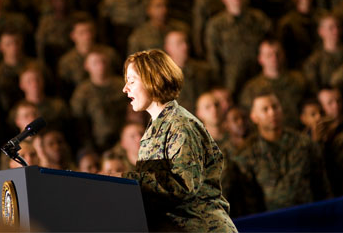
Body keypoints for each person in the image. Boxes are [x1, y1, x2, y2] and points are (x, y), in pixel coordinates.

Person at [121, 49, 237, 232]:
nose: (125, 88)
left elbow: (183, 186)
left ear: (153, 80)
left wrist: (125, 181)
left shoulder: (180, 125)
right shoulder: (156, 128)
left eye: (132, 81)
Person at [233, 91, 331, 212]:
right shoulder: (246, 154)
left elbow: (322, 185)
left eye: (275, 107)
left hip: (309, 216)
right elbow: (248, 201)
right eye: (265, 109)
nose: (272, 112)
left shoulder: (304, 143)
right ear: (254, 117)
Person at [205, 0, 271, 99]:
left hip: (259, 77)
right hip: (231, 81)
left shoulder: (259, 19)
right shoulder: (216, 25)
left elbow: (270, 46)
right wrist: (219, 85)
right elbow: (213, 57)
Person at [70, 46, 128, 152]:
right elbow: (79, 122)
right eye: (95, 63)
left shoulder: (122, 86)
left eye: (104, 62)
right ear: (87, 66)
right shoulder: (82, 92)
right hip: (96, 143)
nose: (101, 66)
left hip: (124, 139)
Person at [239, 39, 307, 128]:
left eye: (277, 54)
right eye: (269, 55)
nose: (274, 58)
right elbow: (248, 119)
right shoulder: (251, 88)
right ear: (260, 59)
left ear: (284, 55)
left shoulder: (299, 80)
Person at [164, 30, 215, 114]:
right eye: (179, 43)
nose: (185, 46)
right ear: (168, 48)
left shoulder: (203, 70)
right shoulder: (162, 76)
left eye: (186, 42)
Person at [303, 14, 343, 95]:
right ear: (321, 32)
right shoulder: (314, 61)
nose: (336, 31)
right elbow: (314, 90)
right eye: (331, 28)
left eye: (338, 27)